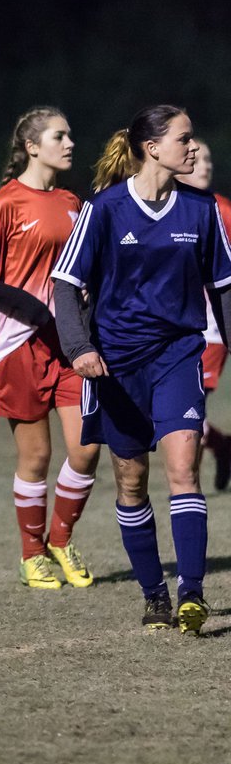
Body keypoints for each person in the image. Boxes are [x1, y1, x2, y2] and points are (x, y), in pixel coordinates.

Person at [52, 105, 231, 635]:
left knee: (184, 470)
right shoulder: (105, 209)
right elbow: (65, 284)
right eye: (184, 138)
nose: (193, 147)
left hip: (177, 355)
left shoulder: (200, 211)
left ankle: (192, 593)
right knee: (131, 481)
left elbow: (223, 290)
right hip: (117, 363)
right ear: (152, 147)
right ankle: (154, 594)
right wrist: (79, 347)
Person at [0, 107, 100, 591]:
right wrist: (36, 311)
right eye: (60, 136)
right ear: (32, 147)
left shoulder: (72, 202)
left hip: (69, 344)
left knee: (85, 449)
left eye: (70, 135)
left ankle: (60, 539)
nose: (70, 144)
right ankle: (31, 554)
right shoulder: (4, 204)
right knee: (37, 456)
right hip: (18, 343)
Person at [175, 141, 231, 490]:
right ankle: (223, 446)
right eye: (197, 159)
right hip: (167, 327)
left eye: (210, 158)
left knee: (187, 409)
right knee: (166, 409)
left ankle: (185, 491)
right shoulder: (164, 207)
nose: (205, 165)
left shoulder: (223, 210)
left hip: (209, 328)